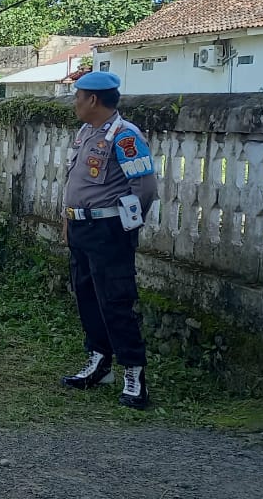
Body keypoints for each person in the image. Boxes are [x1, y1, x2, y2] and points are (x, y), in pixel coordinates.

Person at [59, 71, 158, 410]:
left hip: (109, 230)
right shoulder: (87, 132)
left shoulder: (125, 136)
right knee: (87, 297)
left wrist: (124, 227)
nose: (75, 102)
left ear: (93, 100)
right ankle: (100, 363)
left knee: (115, 300)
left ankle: (133, 372)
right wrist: (68, 221)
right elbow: (76, 182)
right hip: (81, 229)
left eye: (78, 97)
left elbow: (144, 188)